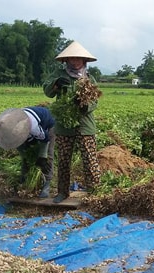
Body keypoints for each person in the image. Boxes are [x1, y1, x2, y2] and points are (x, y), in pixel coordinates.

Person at [43, 41, 101, 203]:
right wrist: (55, 85)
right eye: (72, 58)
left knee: (90, 159)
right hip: (64, 125)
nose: (75, 61)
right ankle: (62, 192)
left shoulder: (89, 78)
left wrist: (83, 106)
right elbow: (47, 91)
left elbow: (95, 101)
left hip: (85, 125)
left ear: (84, 61)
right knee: (63, 159)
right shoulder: (59, 75)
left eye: (78, 59)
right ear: (66, 60)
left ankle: (94, 191)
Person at [0, 106, 56, 198]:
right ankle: (24, 179)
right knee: (26, 158)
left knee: (48, 157)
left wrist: (42, 156)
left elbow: (45, 139)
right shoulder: (8, 124)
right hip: (28, 130)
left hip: (48, 126)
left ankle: (47, 183)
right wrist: (25, 156)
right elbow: (18, 144)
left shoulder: (33, 126)